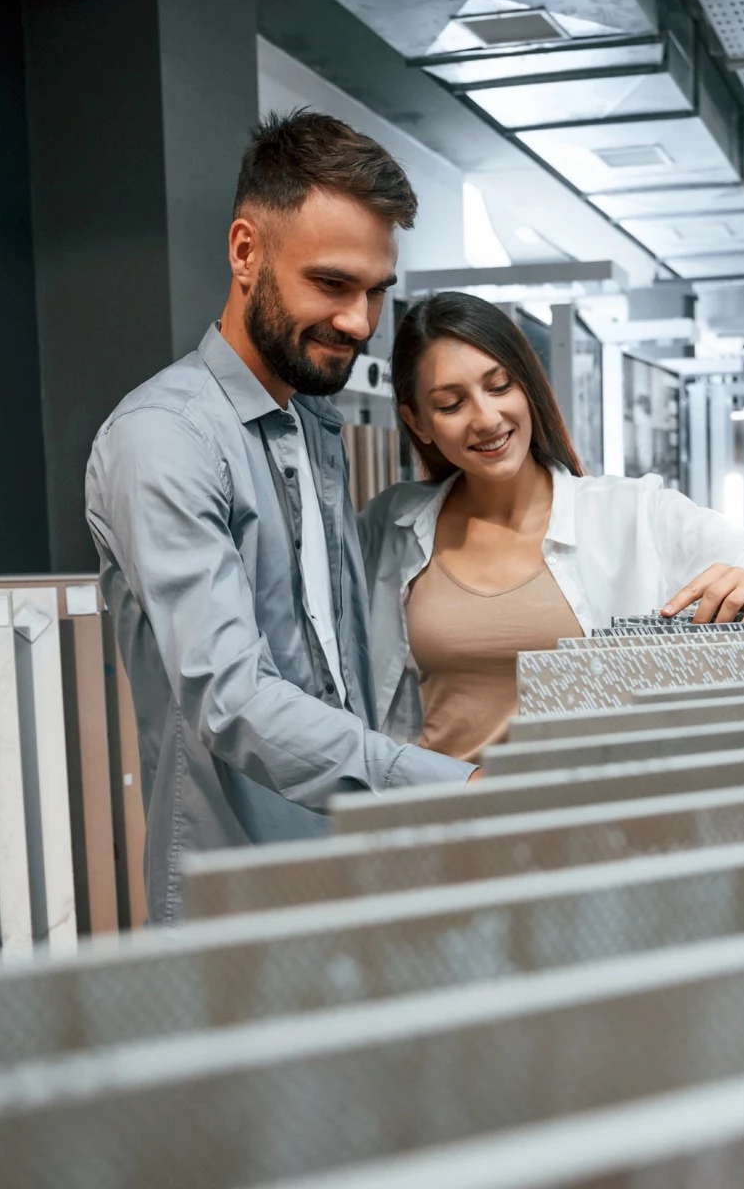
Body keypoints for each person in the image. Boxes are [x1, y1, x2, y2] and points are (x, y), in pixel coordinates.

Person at [85, 111, 475, 924]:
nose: (361, 323)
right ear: (244, 253)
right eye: (331, 284)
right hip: (238, 894)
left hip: (350, 864)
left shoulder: (312, 426)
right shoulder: (163, 439)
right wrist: (450, 783)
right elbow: (231, 698)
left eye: (375, 292)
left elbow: (333, 672)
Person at [358, 291, 744, 762]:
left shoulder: (629, 511)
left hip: (587, 818)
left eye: (500, 387)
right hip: (437, 818)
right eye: (450, 404)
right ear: (418, 423)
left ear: (528, 386)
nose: (485, 418)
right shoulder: (392, 523)